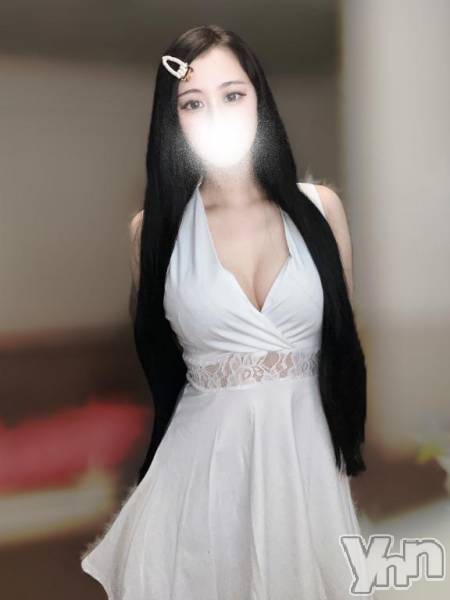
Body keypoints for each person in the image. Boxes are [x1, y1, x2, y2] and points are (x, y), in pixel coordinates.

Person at [81, 24, 373, 599]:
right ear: (174, 120)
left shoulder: (321, 211)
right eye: (193, 103)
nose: (215, 114)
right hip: (195, 489)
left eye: (233, 94)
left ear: (259, 100)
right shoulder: (153, 233)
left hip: (306, 478)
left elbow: (344, 352)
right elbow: (161, 366)